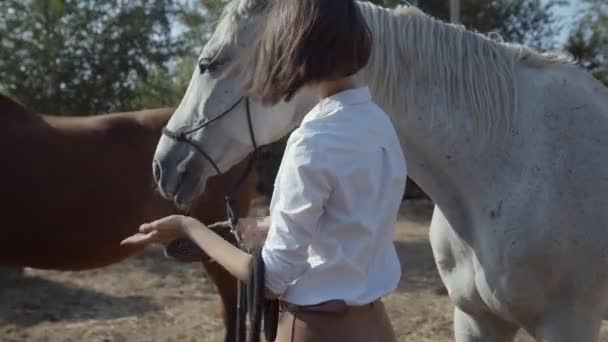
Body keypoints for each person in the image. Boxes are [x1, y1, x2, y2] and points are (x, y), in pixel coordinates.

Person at [122, 0, 407, 340]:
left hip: (316, 330)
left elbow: (270, 280)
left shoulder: (313, 141)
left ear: (293, 49)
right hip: (376, 326)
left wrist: (190, 227)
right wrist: (254, 229)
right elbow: (344, 219)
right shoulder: (379, 123)